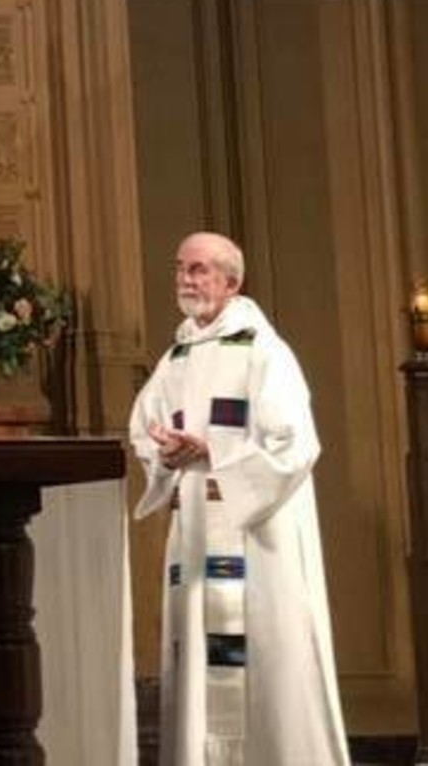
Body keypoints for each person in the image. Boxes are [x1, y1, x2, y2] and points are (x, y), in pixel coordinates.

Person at [129, 231, 350, 766]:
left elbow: (296, 444)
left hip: (257, 540)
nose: (186, 278)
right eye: (181, 267)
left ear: (232, 281)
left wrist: (219, 461)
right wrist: (168, 455)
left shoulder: (265, 351)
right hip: (199, 532)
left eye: (200, 269)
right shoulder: (177, 355)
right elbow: (143, 427)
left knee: (270, 659)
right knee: (200, 660)